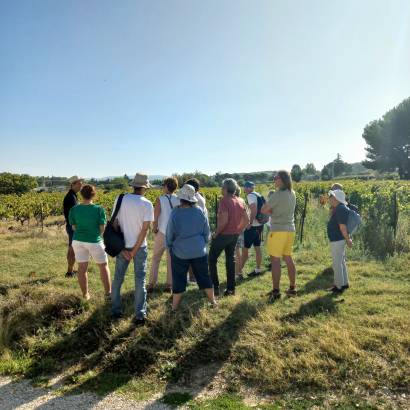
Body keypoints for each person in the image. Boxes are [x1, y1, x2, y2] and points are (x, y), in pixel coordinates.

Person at [111, 173, 154, 326]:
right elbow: (144, 231)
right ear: (144, 188)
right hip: (140, 248)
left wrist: (123, 249)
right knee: (140, 280)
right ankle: (139, 315)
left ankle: (115, 311)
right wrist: (134, 251)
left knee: (118, 279)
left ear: (133, 186)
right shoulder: (147, 204)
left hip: (123, 247)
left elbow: (114, 224)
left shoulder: (120, 199)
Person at [166, 184, 216, 310]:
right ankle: (213, 302)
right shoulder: (200, 211)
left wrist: (170, 246)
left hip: (180, 252)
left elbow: (169, 233)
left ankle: (174, 308)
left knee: (178, 279)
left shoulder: (175, 213)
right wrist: (202, 244)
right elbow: (206, 232)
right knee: (205, 276)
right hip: (199, 251)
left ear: (181, 198)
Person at [68, 184, 111, 300]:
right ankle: (108, 294)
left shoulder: (74, 209)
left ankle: (85, 295)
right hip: (94, 241)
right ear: (94, 194)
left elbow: (73, 227)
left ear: (81, 194)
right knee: (103, 266)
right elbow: (102, 229)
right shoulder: (99, 209)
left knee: (82, 268)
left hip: (77, 241)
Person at [209, 179, 250, 296]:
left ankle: (215, 287)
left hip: (223, 235)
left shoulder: (224, 201)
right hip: (234, 235)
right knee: (230, 261)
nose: (221, 189)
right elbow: (246, 220)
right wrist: (238, 230)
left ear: (226, 189)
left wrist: (216, 233)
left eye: (222, 187)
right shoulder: (240, 200)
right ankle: (231, 289)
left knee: (212, 259)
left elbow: (224, 221)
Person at [261, 171, 297, 301]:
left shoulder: (277, 194)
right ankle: (293, 288)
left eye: (275, 178)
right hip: (290, 230)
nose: (274, 180)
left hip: (278, 230)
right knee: (288, 258)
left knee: (275, 261)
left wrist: (272, 212)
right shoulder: (292, 193)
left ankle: (276, 291)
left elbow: (263, 209)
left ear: (281, 179)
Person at [147, 177, 180, 293]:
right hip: (174, 234)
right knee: (171, 260)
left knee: (156, 258)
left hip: (162, 232)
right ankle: (169, 285)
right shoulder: (179, 199)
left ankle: (151, 284)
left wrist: (154, 229)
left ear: (166, 186)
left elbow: (155, 217)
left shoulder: (160, 199)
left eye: (163, 185)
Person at [327, 189, 352, 293]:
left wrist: (348, 239)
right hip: (339, 239)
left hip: (337, 239)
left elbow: (342, 227)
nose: (330, 199)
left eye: (332, 197)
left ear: (337, 199)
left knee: (337, 263)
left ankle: (338, 286)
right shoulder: (340, 208)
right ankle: (344, 283)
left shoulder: (340, 209)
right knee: (341, 261)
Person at [185, 178, 208, 283]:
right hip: (199, 231)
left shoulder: (195, 199)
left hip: (194, 231)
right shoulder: (200, 197)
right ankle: (193, 277)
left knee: (191, 255)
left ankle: (192, 277)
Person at [241, 181, 264, 277]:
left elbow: (253, 209)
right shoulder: (258, 195)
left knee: (245, 249)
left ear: (249, 188)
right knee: (257, 248)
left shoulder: (250, 196)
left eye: (246, 187)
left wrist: (249, 223)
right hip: (260, 224)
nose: (244, 189)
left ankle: (238, 272)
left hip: (253, 226)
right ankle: (258, 269)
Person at [63, 176, 83, 278]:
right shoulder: (71, 197)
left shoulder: (73, 196)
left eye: (81, 183)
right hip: (72, 227)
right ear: (73, 184)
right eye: (79, 183)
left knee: (72, 248)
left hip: (72, 226)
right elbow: (75, 215)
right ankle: (69, 272)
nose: (81, 185)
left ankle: (71, 270)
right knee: (72, 248)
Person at [234, 186, 247, 280]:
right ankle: (239, 272)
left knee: (236, 252)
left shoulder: (235, 202)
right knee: (238, 251)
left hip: (235, 229)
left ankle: (238, 273)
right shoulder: (242, 201)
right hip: (241, 229)